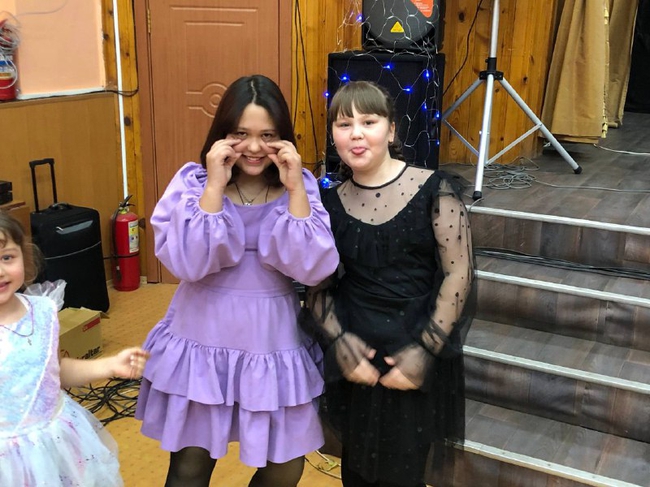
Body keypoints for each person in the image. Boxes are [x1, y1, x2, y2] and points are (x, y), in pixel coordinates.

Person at [135, 74, 340, 487]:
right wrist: (214, 185)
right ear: (222, 135)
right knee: (191, 465)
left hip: (271, 340)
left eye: (268, 135)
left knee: (285, 467)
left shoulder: (298, 186)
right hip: (202, 335)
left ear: (283, 138)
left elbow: (313, 268)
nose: (253, 147)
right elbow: (188, 264)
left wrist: (295, 189)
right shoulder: (193, 182)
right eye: (241, 134)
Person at [307, 80, 475, 487]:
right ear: (333, 135)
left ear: (392, 130)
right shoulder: (328, 203)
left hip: (413, 345)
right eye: (344, 124)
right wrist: (339, 341)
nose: (356, 134)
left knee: (404, 474)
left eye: (369, 121)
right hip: (358, 352)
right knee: (355, 471)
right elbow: (317, 286)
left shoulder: (435, 190)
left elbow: (459, 274)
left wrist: (426, 348)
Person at [0, 212, 149, 487]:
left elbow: (54, 371)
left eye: (7, 257)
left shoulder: (42, 312)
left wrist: (109, 365)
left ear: (24, 256)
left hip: (56, 443)